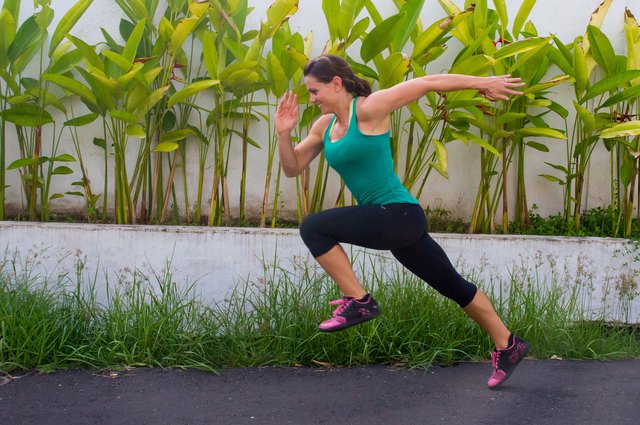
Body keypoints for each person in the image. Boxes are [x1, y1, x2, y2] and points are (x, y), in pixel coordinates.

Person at [274, 54, 529, 389]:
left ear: (336, 84)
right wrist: (283, 134)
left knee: (313, 227)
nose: (311, 99)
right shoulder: (323, 127)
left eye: (314, 91)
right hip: (394, 225)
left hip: (397, 214)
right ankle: (508, 344)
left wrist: (484, 83)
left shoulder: (367, 109)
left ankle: (359, 301)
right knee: (453, 285)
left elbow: (426, 84)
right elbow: (293, 168)